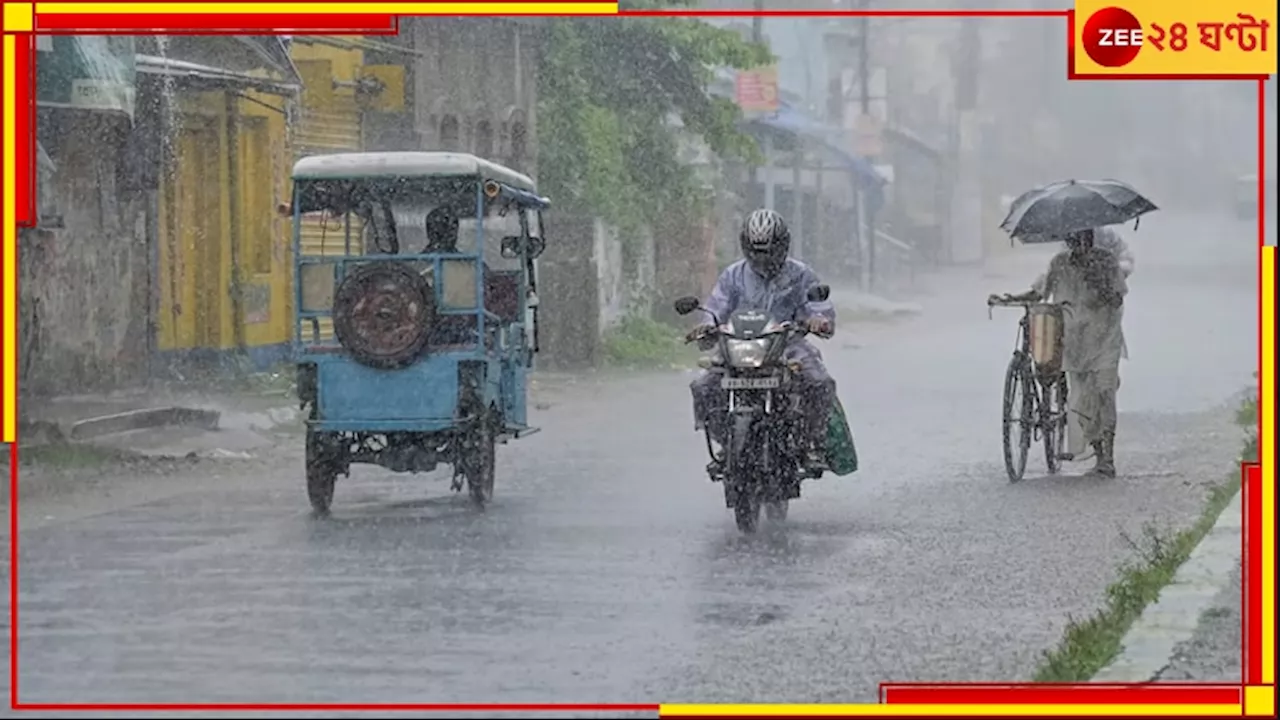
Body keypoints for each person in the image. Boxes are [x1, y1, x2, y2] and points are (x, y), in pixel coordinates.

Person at [689, 209, 837, 475]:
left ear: (782, 245)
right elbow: (716, 307)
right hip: (739, 347)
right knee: (704, 386)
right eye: (756, 251)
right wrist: (706, 327)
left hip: (788, 345)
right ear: (745, 246)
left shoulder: (801, 275)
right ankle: (727, 441)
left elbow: (818, 306)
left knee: (819, 382)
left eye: (768, 250)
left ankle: (811, 442)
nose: (762, 257)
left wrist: (818, 320)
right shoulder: (733, 275)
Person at [994, 227, 1128, 477]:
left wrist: (1100, 283)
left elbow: (1118, 298)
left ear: (1091, 238)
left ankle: (1107, 457)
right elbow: (1040, 292)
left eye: (1085, 239)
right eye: (1075, 240)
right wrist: (1012, 298)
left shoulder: (1106, 261)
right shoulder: (1059, 263)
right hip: (1074, 341)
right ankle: (1097, 448)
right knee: (1080, 401)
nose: (1080, 245)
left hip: (1104, 338)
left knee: (1104, 393)